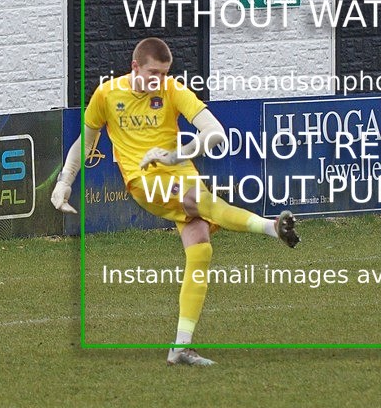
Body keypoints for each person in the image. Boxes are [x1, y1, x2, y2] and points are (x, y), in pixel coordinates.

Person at [51, 37, 299, 367]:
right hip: (143, 180)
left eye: (164, 73)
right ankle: (271, 227)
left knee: (201, 250)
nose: (159, 80)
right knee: (201, 201)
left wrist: (173, 156)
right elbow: (86, 142)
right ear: (135, 66)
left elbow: (215, 133)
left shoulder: (172, 90)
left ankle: (180, 348)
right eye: (153, 73)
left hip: (180, 169)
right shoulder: (107, 94)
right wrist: (64, 182)